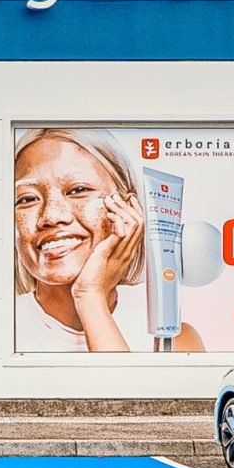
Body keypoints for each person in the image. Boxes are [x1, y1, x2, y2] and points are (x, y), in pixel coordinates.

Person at [12, 127, 202, 353]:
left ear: (128, 208)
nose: (52, 216)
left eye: (78, 190)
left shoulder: (171, 341)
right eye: (28, 199)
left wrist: (90, 296)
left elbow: (121, 389)